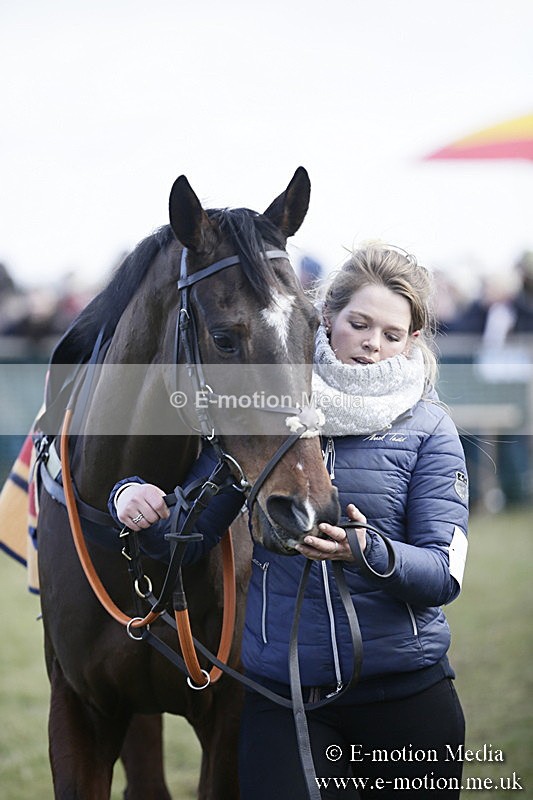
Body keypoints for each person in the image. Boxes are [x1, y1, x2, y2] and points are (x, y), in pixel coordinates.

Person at [108, 244, 469, 799]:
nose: (373, 343)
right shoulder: (260, 418)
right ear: (327, 320)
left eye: (392, 334)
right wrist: (129, 498)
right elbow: (185, 540)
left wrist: (366, 551)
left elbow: (444, 574)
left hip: (405, 697)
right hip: (285, 702)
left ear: (412, 341)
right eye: (360, 324)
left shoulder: (431, 429)